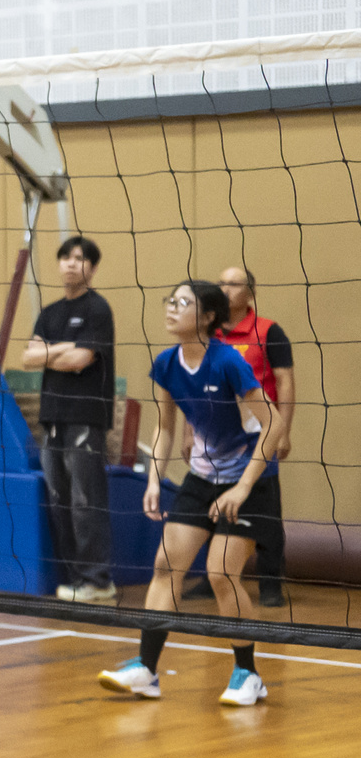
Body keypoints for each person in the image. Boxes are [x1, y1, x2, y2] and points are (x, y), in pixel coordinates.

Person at [99, 280, 277, 707]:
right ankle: (146, 669)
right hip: (202, 478)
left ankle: (248, 674)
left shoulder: (228, 363)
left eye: (183, 303)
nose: (172, 309)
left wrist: (243, 487)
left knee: (220, 573)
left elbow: (272, 426)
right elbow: (165, 426)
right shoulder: (166, 364)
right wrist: (156, 479)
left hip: (250, 481)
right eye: (171, 301)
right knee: (166, 564)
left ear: (208, 317)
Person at [23, 235, 118, 604]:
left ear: (91, 268)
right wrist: (62, 349)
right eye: (66, 257)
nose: (71, 264)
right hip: (54, 417)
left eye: (79, 259)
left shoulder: (98, 309)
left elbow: (81, 361)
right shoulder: (50, 313)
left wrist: (51, 351)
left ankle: (98, 580)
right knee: (59, 499)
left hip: (86, 417)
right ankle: (76, 577)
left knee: (85, 500)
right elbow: (27, 358)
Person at [212, 267, 294, 608]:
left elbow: (285, 382)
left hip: (259, 436)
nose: (225, 289)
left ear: (250, 294)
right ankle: (211, 577)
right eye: (221, 283)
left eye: (234, 284)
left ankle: (271, 582)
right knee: (213, 503)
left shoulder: (269, 331)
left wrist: (283, 431)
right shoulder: (208, 333)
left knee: (266, 511)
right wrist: (189, 434)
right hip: (215, 439)